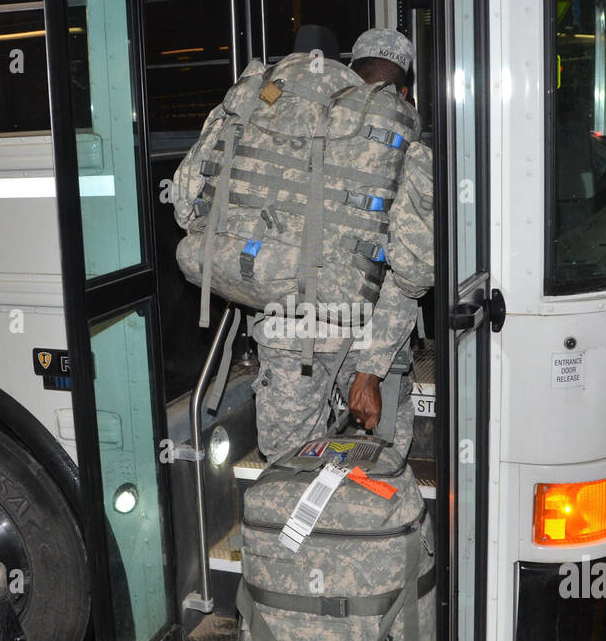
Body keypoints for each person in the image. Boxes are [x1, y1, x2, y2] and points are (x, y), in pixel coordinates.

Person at [172, 27, 434, 462]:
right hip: (363, 334)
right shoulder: (396, 141)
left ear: (347, 73)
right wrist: (371, 370)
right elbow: (412, 272)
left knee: (289, 467)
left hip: (284, 327)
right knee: (373, 466)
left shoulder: (269, 116)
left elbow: (186, 207)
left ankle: (294, 529)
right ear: (403, 91)